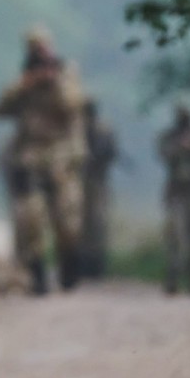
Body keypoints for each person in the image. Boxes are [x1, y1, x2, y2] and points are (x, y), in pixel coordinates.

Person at [0, 25, 88, 295]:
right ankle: (37, 274)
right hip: (31, 155)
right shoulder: (25, 77)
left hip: (62, 155)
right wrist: (26, 84)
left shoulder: (66, 71)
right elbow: (0, 110)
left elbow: (73, 105)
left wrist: (54, 79)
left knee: (67, 220)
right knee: (30, 218)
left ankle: (70, 264)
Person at [157, 102, 190, 295]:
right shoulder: (169, 137)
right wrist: (181, 146)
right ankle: (172, 278)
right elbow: (164, 153)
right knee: (176, 238)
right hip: (177, 194)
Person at [77, 100, 121, 279]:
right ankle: (81, 265)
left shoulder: (104, 129)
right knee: (79, 225)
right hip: (80, 180)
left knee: (97, 224)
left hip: (97, 181)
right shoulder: (77, 129)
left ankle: (96, 266)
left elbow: (110, 153)